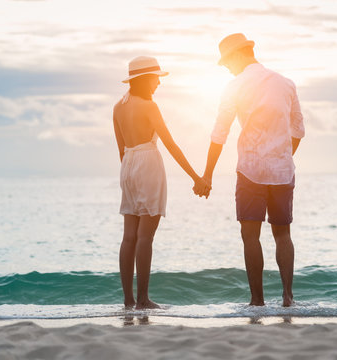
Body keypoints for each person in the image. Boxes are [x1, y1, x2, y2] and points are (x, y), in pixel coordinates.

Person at [200, 33, 305, 307]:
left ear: (237, 55)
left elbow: (219, 134)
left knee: (250, 236)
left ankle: (257, 301)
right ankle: (288, 297)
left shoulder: (235, 86)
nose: (226, 68)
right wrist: (281, 155)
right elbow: (299, 130)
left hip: (250, 170)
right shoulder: (286, 83)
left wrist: (207, 175)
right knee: (283, 235)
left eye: (226, 62)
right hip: (283, 171)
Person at [113, 56, 210, 309]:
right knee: (145, 236)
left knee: (129, 237)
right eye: (156, 78)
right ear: (144, 80)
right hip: (147, 163)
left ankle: (128, 300)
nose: (158, 83)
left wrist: (129, 173)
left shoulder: (118, 107)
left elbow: (121, 150)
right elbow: (170, 144)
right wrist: (196, 177)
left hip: (128, 165)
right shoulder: (149, 107)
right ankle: (143, 299)